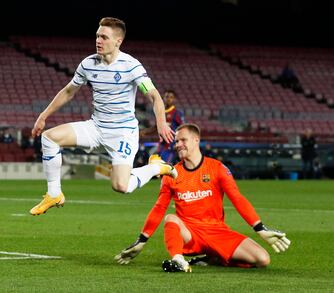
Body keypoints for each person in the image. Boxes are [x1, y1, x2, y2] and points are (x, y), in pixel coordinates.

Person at [29, 17, 176, 216]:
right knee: (49, 138)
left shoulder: (131, 66)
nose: (98, 40)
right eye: (97, 36)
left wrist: (161, 124)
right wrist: (43, 116)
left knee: (121, 186)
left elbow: (154, 96)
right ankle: (54, 194)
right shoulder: (88, 64)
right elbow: (68, 92)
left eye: (104, 37)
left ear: (118, 41)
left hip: (123, 133)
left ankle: (155, 167)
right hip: (96, 128)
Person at [115, 123, 291, 272]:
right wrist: (142, 240)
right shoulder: (171, 173)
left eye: (183, 140)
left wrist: (260, 228)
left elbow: (237, 198)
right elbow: (159, 208)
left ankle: (214, 258)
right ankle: (178, 259)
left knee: (263, 260)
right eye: (176, 141)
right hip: (191, 235)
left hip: (218, 232)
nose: (178, 145)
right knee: (171, 218)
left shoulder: (217, 168)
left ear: (196, 140)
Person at [140, 90, 184, 164]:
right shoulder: (160, 112)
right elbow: (156, 127)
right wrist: (144, 132)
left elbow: (183, 128)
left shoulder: (177, 113)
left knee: (165, 167)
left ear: (175, 99)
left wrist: (178, 142)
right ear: (163, 98)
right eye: (167, 97)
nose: (169, 99)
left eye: (171, 97)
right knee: (156, 165)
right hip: (161, 145)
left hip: (171, 145)